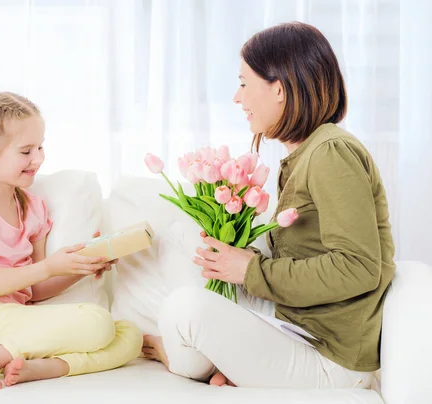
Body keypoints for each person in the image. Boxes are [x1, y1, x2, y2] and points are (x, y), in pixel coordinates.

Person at [142, 21, 396, 389]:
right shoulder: (308, 153)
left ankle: (179, 354)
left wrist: (250, 271)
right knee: (182, 237)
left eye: (244, 83)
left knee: (185, 309)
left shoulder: (331, 153)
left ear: (279, 89)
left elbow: (358, 268)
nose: (237, 98)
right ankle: (219, 359)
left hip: (330, 359)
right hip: (294, 327)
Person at [0, 92, 142, 389]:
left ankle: (41, 368)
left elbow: (33, 291)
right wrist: (49, 266)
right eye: (26, 151)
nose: (38, 158)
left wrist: (79, 267)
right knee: (97, 322)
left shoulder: (32, 208)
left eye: (40, 147)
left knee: (129, 335)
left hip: (15, 321)